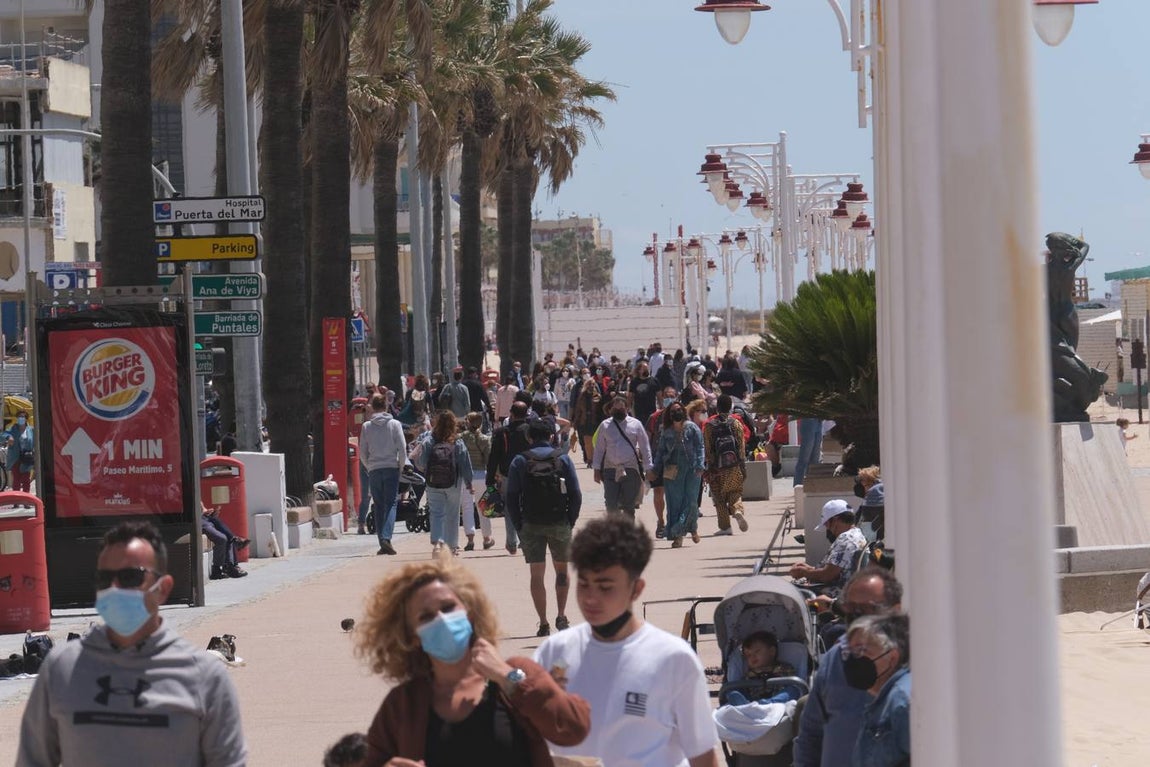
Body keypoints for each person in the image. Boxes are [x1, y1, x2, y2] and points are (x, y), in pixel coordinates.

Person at [16, 521, 247, 766]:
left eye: (130, 577)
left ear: (163, 587)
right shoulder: (61, 669)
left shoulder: (204, 678)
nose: (115, 589)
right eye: (105, 579)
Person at [357, 561, 590, 766]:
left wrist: (508, 677)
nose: (442, 620)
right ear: (412, 635)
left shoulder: (515, 675)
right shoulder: (404, 703)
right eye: (426, 616)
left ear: (469, 612)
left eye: (448, 608)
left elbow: (573, 728)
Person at [534, 516, 720, 767]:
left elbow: (703, 756)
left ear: (636, 589)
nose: (590, 598)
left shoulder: (674, 658)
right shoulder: (555, 651)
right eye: (584, 585)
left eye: (605, 587)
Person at [793, 567, 903, 767]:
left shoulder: (916, 665)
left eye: (869, 608)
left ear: (895, 610)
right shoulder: (834, 660)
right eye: (851, 609)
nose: (858, 616)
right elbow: (810, 735)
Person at [505, 418, 583, 637]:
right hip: (559, 521)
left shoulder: (520, 461)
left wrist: (519, 524)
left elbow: (511, 496)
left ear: (529, 437)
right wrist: (570, 519)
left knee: (536, 574)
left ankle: (543, 622)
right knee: (561, 570)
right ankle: (561, 615)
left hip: (531, 522)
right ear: (551, 436)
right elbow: (576, 494)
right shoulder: (563, 459)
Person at [844, 614, 911, 767]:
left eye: (862, 650)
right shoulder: (883, 700)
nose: (855, 660)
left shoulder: (902, 701)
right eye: (852, 652)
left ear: (892, 657)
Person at [413, 411, 474, 557]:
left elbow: (421, 463)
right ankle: (451, 547)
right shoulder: (457, 441)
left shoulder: (429, 440)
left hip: (433, 482)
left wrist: (428, 470)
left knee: (436, 513)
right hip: (453, 482)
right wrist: (468, 482)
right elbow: (465, 463)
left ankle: (437, 545)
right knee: (452, 514)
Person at [649, 402, 704, 547]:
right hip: (672, 471)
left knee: (691, 501)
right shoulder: (666, 431)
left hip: (692, 469)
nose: (677, 412)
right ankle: (678, 535)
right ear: (669, 414)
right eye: (673, 411)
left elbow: (700, 447)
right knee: (675, 503)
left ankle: (691, 528)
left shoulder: (692, 428)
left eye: (679, 410)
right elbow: (660, 452)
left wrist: (700, 464)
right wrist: (655, 469)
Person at [359, 393, 407, 556]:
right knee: (391, 503)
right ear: (386, 406)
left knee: (378, 505)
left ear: (372, 406)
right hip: (391, 467)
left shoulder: (366, 426)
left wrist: (369, 466)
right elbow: (402, 448)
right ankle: (386, 537)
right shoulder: (395, 424)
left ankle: (382, 540)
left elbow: (362, 452)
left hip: (374, 469)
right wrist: (400, 466)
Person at [592, 396, 653, 519]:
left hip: (630, 469)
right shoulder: (605, 425)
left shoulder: (636, 425)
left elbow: (645, 447)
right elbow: (599, 449)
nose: (618, 410)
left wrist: (648, 468)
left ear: (628, 408)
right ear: (611, 409)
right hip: (610, 469)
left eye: (621, 408)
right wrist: (596, 469)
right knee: (611, 503)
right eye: (615, 408)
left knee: (628, 505)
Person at [789, 499, 868, 593]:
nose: (827, 529)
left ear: (835, 520)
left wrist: (804, 572)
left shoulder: (846, 539)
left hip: (839, 592)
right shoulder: (856, 534)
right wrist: (809, 569)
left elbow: (827, 575)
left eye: (826, 524)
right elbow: (835, 569)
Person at [488, 401, 533, 554]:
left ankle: (511, 542)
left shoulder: (501, 432)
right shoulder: (531, 430)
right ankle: (525, 540)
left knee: (509, 508)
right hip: (530, 474)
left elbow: (493, 457)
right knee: (526, 507)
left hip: (508, 475)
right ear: (526, 414)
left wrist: (490, 478)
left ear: (511, 414)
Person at [703, 394, 749, 537]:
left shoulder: (710, 426)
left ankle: (725, 527)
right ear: (730, 407)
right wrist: (741, 463)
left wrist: (710, 467)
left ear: (717, 408)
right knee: (735, 492)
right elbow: (741, 445)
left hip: (717, 468)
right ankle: (737, 511)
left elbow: (708, 448)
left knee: (719, 497)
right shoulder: (735, 423)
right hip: (734, 465)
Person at [723, 631, 801, 706]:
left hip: (777, 702)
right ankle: (745, 706)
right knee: (732, 692)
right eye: (748, 655)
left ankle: (768, 703)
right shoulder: (748, 675)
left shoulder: (784, 668)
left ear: (772, 651)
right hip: (752, 702)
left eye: (757, 652)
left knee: (793, 690)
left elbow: (791, 682)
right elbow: (743, 689)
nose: (752, 657)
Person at [459, 412, 495, 551]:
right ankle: (486, 538)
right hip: (481, 475)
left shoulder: (461, 438)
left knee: (467, 507)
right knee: (484, 507)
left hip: (466, 476)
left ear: (468, 422)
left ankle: (470, 539)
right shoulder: (485, 439)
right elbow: (488, 460)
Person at [645, 385, 679, 539]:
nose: (669, 399)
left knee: (673, 493)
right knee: (658, 491)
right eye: (666, 396)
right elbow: (646, 439)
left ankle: (673, 522)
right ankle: (661, 522)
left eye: (672, 396)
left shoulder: (680, 417)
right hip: (658, 462)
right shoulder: (654, 417)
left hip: (675, 461)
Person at [201, 503, 248, 579]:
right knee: (222, 538)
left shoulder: (197, 497)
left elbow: (203, 509)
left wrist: (207, 511)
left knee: (226, 534)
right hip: (200, 521)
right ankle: (223, 568)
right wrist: (203, 513)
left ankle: (230, 566)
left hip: (205, 518)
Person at [572, 377, 603, 468]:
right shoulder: (582, 396)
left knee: (596, 442)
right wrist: (575, 421)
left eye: (593, 384)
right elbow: (578, 410)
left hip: (595, 421)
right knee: (587, 441)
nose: (591, 386)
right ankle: (590, 460)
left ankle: (596, 460)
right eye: (589, 384)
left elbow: (601, 409)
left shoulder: (597, 396)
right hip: (584, 421)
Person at [5, 412, 34, 493]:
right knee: (16, 479)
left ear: (26, 419)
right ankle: (16, 500)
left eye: (23, 417)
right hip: (15, 457)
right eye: (19, 417)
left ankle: (26, 500)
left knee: (26, 479)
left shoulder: (31, 429)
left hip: (26, 457)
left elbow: (35, 442)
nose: (21, 418)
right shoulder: (13, 428)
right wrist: (8, 437)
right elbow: (3, 435)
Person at [793, 417, 825, 486]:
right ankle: (798, 486)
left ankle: (812, 486)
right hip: (808, 419)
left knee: (815, 459)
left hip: (818, 420)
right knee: (804, 457)